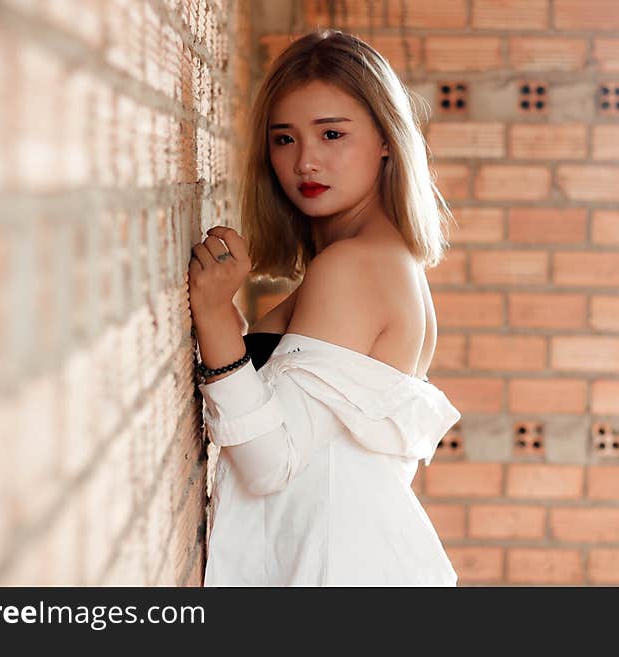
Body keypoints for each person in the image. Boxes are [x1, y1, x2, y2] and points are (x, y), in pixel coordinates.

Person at [188, 29, 461, 586]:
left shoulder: (355, 265)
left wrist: (215, 316)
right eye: (283, 139)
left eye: (332, 133)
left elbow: (271, 461)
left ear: (387, 138)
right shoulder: (383, 259)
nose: (306, 161)